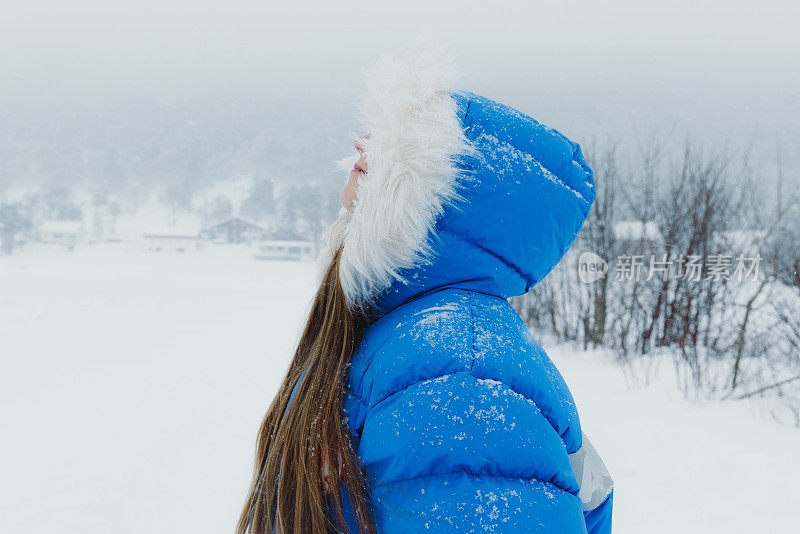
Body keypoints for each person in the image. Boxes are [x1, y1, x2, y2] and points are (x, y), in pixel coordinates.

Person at [238, 46, 613, 534]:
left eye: (397, 139)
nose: (361, 143)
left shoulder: (457, 370)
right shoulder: (415, 338)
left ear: (444, 195)